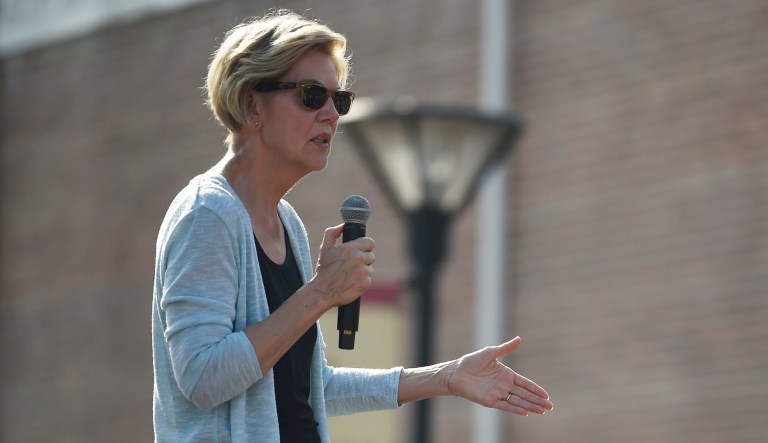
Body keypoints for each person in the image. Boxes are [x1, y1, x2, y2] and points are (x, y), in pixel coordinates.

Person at [151, 9, 553, 442]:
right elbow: (203, 378)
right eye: (311, 96)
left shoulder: (285, 223)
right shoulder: (206, 214)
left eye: (338, 100)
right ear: (253, 104)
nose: (331, 114)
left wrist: (446, 377)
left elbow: (313, 389)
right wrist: (321, 293)